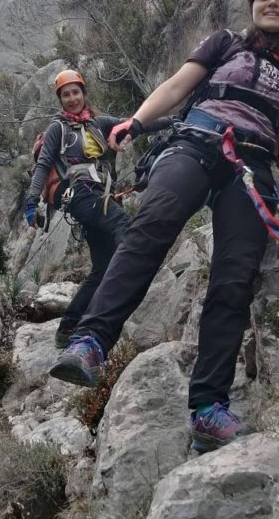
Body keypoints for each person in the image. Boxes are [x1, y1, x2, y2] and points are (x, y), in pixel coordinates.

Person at [48, 0, 279, 453]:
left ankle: (208, 408)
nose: (272, 3)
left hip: (255, 167)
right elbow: (179, 86)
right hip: (198, 143)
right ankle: (92, 343)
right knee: (152, 226)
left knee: (234, 278)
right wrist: (136, 122)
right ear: (252, 4)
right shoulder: (225, 43)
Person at [25, 69, 172, 348]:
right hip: (79, 194)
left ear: (83, 93)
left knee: (102, 268)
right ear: (60, 99)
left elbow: (135, 124)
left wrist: (174, 120)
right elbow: (44, 164)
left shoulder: (99, 123)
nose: (71, 99)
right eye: (65, 95)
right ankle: (123, 295)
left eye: (75, 92)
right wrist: (32, 201)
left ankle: (67, 328)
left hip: (100, 195)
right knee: (125, 228)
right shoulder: (58, 128)